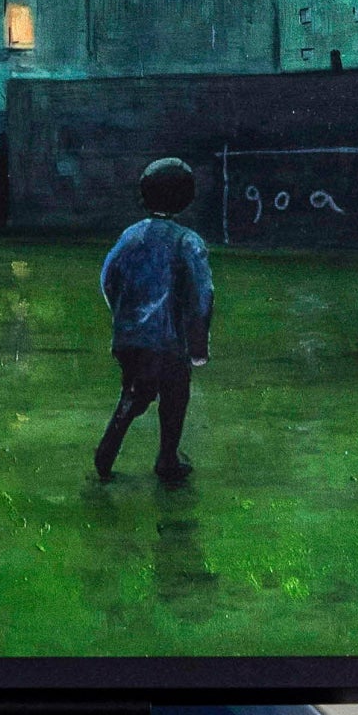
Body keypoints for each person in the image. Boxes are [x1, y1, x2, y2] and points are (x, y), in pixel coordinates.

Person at [95, 157, 217, 484]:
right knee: (175, 396)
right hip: (168, 343)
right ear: (186, 198)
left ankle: (109, 446)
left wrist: (124, 316)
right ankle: (166, 458)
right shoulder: (187, 242)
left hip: (131, 339)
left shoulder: (130, 236)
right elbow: (201, 297)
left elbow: (108, 278)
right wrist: (199, 346)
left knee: (135, 392)